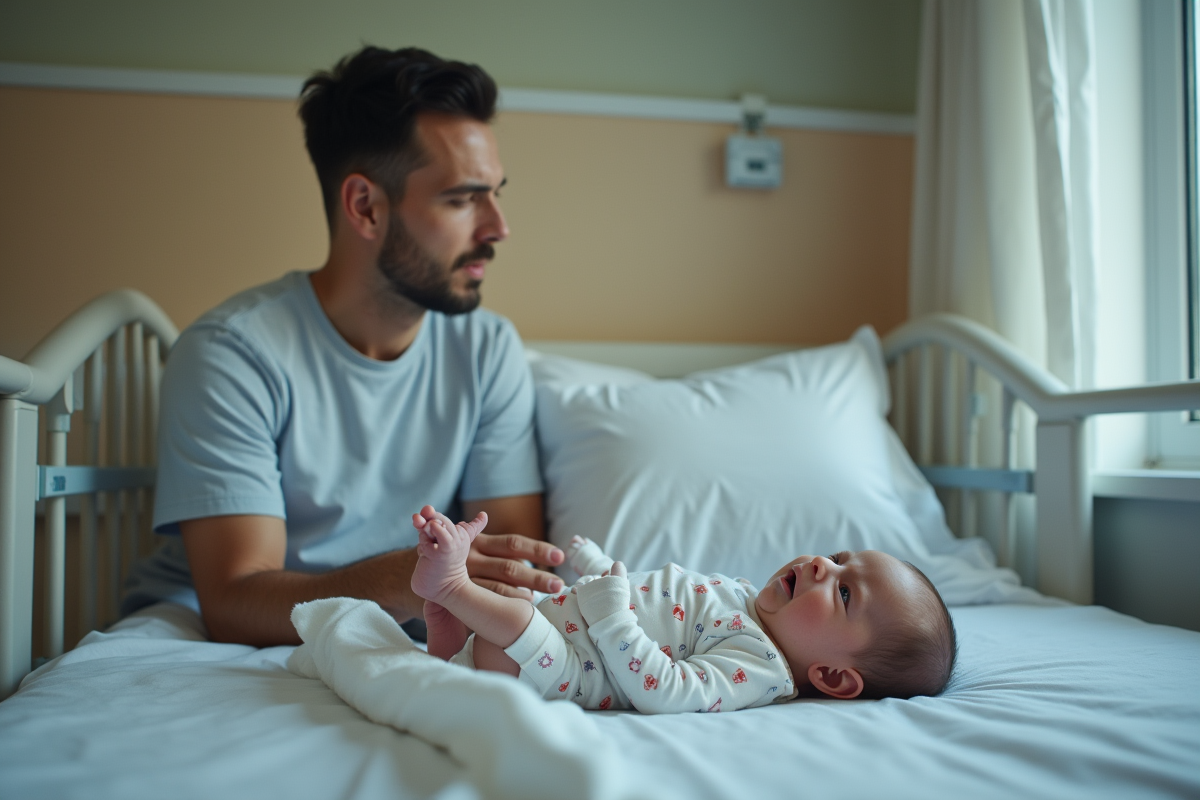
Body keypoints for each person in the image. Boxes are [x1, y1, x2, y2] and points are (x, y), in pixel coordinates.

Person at [122, 45, 566, 645]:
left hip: (416, 627)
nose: (497, 228)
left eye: (495, 193)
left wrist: (430, 585)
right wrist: (402, 578)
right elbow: (232, 602)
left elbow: (511, 565)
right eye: (462, 199)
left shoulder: (486, 349)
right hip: (226, 641)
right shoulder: (232, 354)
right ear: (365, 206)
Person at [410, 505, 957, 712]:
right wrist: (601, 567)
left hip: (570, 671)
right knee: (513, 610)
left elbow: (666, 689)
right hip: (573, 620)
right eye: (838, 559)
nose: (821, 566)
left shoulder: (760, 667)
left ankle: (452, 585)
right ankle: (446, 651)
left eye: (843, 593)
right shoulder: (745, 596)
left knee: (517, 623)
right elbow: (649, 598)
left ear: (834, 676)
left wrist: (610, 617)